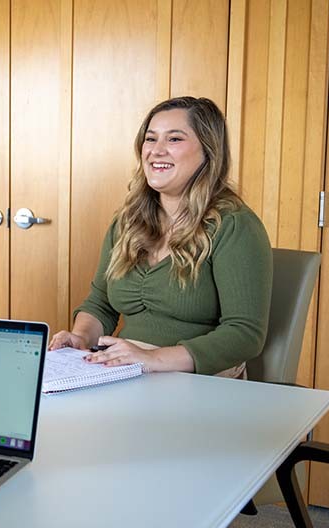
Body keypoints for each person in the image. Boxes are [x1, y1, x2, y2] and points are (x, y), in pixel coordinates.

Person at [49, 97, 272, 377]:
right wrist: (81, 337)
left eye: (174, 139)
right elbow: (100, 302)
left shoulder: (235, 226)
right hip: (129, 368)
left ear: (208, 150)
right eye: (150, 139)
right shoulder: (127, 221)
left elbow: (245, 334)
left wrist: (152, 358)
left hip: (199, 379)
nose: (156, 151)